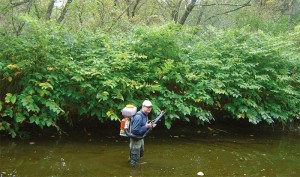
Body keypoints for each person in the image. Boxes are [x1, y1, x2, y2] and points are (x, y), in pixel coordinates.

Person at [129, 100, 156, 167]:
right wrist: (146, 126)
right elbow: (134, 130)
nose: (149, 108)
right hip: (135, 137)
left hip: (141, 137)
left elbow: (145, 126)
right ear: (143, 107)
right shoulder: (139, 116)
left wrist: (151, 126)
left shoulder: (145, 115)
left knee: (141, 152)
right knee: (135, 154)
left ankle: (133, 162)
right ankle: (133, 168)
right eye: (147, 107)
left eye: (150, 107)